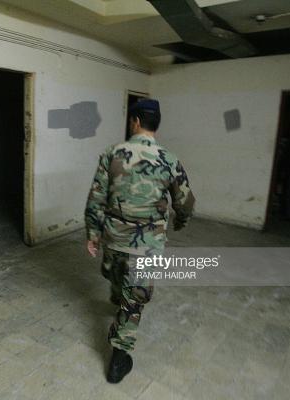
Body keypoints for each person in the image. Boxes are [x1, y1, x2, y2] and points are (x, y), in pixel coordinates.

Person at [84, 99, 195, 383]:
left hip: (114, 239)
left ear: (134, 121)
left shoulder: (112, 153)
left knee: (117, 278)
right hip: (147, 247)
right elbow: (184, 203)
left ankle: (119, 300)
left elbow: (96, 197)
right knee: (134, 302)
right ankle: (119, 360)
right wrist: (179, 224)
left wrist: (92, 233)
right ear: (155, 124)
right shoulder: (170, 160)